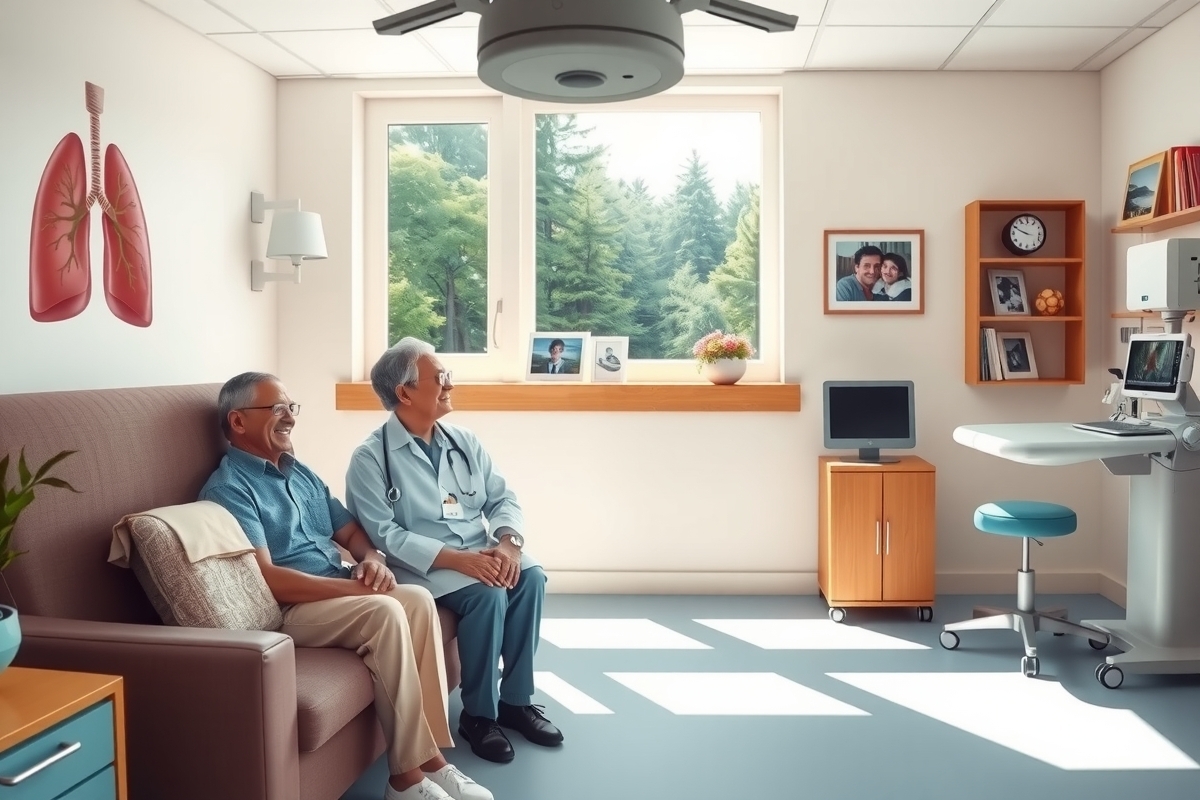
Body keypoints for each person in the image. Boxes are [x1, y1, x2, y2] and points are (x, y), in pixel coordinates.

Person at [199, 372, 492, 800]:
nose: (289, 418)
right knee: (386, 611)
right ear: (238, 422)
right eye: (277, 409)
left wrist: (372, 561)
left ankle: (432, 761)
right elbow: (269, 579)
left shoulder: (302, 475)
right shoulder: (230, 489)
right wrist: (358, 591)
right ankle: (405, 781)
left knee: (417, 599)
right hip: (292, 610)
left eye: (290, 408)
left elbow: (352, 534)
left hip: (335, 588)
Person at [345, 338, 564, 765]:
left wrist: (509, 545)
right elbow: (384, 535)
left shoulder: (464, 440)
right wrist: (456, 560)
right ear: (404, 392)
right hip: (425, 569)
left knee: (532, 576)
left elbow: (503, 500)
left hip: (481, 549)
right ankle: (479, 716)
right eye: (440, 376)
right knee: (487, 594)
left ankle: (516, 702)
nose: (449, 383)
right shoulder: (370, 459)